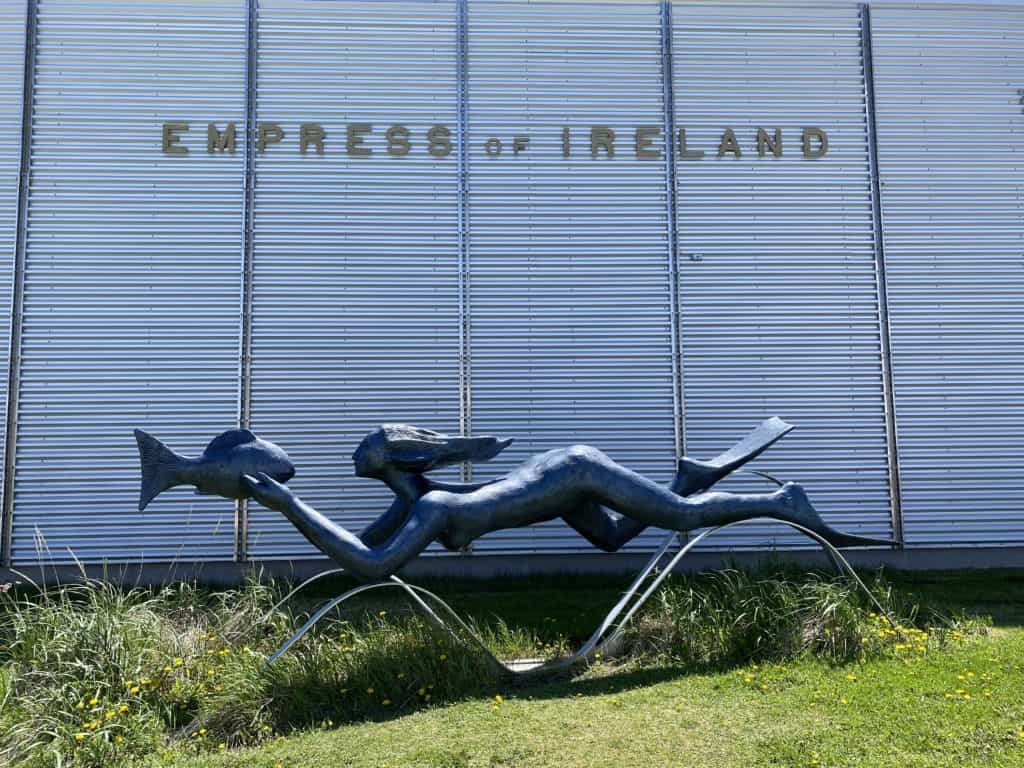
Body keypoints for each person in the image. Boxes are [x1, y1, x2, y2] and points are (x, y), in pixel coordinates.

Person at [242, 423, 883, 582]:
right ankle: (688, 477)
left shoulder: (430, 510)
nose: (370, 485)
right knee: (608, 540)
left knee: (683, 522)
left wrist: (288, 505)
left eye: (368, 473)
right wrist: (287, 503)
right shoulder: (421, 502)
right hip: (552, 484)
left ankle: (783, 501)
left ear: (393, 470)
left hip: (572, 473)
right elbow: (364, 547)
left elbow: (372, 565)